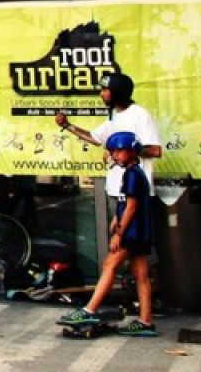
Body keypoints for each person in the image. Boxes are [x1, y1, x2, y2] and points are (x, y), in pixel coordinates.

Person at [60, 131, 157, 336]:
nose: (115, 155)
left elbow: (131, 207)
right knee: (141, 275)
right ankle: (146, 321)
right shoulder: (135, 172)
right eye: (112, 151)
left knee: (109, 265)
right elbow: (127, 203)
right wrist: (116, 218)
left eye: (119, 151)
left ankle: (89, 310)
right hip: (140, 231)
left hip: (131, 232)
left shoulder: (132, 174)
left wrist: (119, 234)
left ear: (132, 151)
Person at [54, 71, 162, 193]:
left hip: (135, 191)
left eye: (105, 90)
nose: (101, 94)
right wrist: (67, 125)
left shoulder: (140, 114)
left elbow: (155, 150)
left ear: (118, 92)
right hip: (115, 188)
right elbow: (95, 138)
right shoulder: (114, 115)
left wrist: (123, 152)